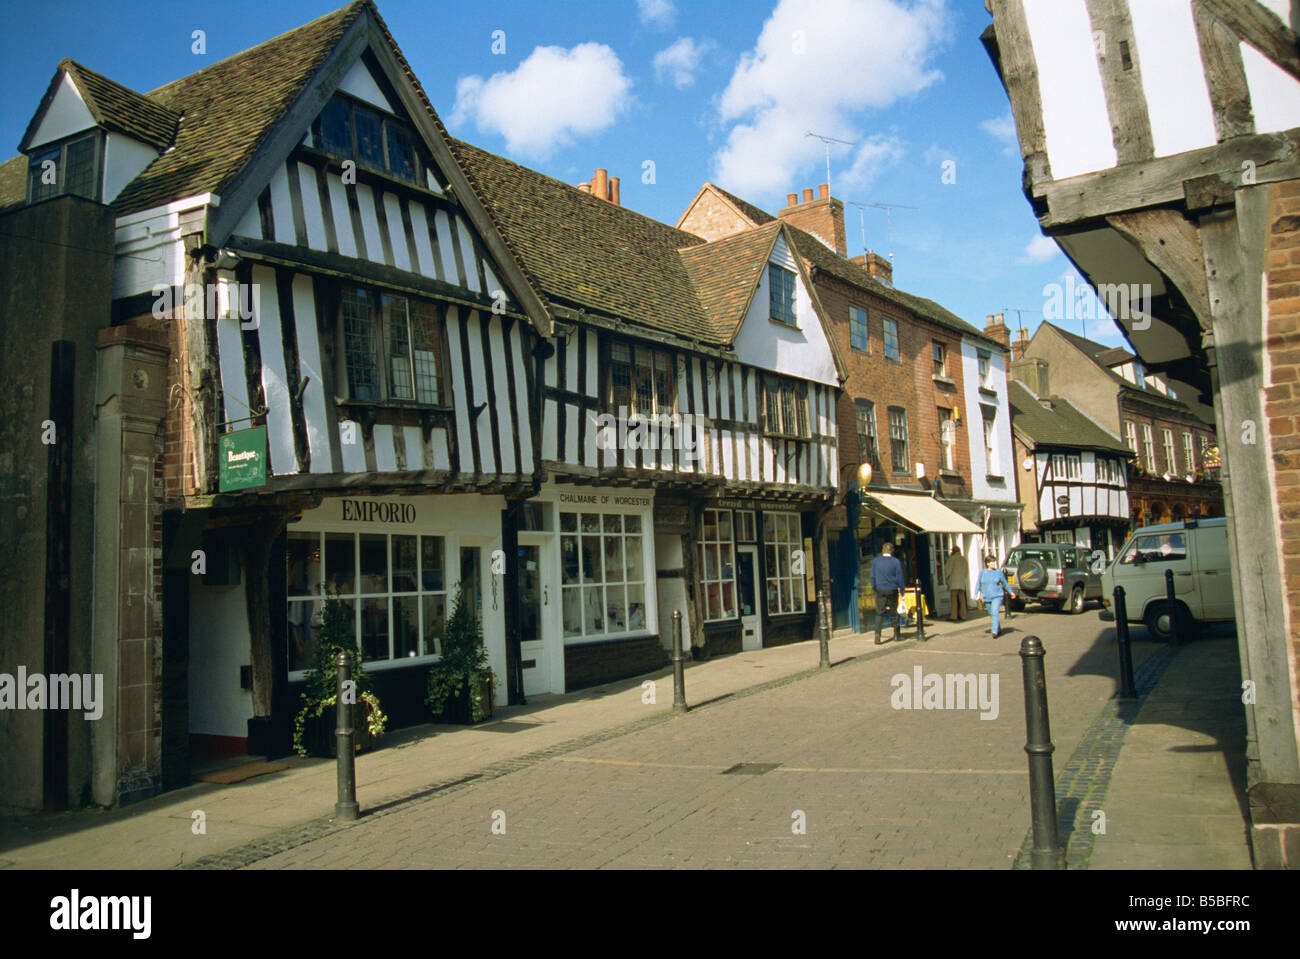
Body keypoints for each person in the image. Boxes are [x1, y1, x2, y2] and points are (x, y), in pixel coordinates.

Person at [869, 542, 906, 645]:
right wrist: (902, 591)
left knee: (879, 613)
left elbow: (872, 577)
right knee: (894, 612)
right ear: (892, 551)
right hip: (892, 589)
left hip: (880, 590)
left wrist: (875, 588)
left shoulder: (876, 561)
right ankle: (896, 635)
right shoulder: (895, 562)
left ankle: (877, 636)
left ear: (883, 550)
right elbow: (900, 578)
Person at [974, 554, 1016, 638]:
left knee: (995, 612)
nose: (993, 564)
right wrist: (975, 594)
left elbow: (1005, 583)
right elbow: (978, 584)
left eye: (994, 562)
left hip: (997, 595)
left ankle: (994, 632)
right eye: (992, 562)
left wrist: (1011, 592)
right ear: (987, 563)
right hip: (986, 596)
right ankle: (998, 628)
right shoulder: (982, 572)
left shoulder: (998, 572)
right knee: (992, 614)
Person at [944, 544, 969, 622]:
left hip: (954, 582)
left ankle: (954, 616)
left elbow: (948, 570)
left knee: (954, 600)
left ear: (953, 551)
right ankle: (963, 615)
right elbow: (966, 571)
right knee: (962, 600)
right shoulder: (963, 559)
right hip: (962, 582)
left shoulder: (952, 559)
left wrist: (946, 578)